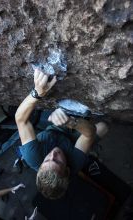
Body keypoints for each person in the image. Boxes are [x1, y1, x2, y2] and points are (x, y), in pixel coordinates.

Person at [15, 69, 108, 199]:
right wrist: (72, 122)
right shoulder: (75, 164)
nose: (53, 154)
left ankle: (84, 140)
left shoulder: (32, 156)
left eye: (47, 159)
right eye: (57, 161)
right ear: (67, 170)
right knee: (103, 127)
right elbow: (89, 135)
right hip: (74, 140)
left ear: (40, 165)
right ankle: (87, 148)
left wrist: (37, 93)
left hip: (54, 130)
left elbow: (20, 119)